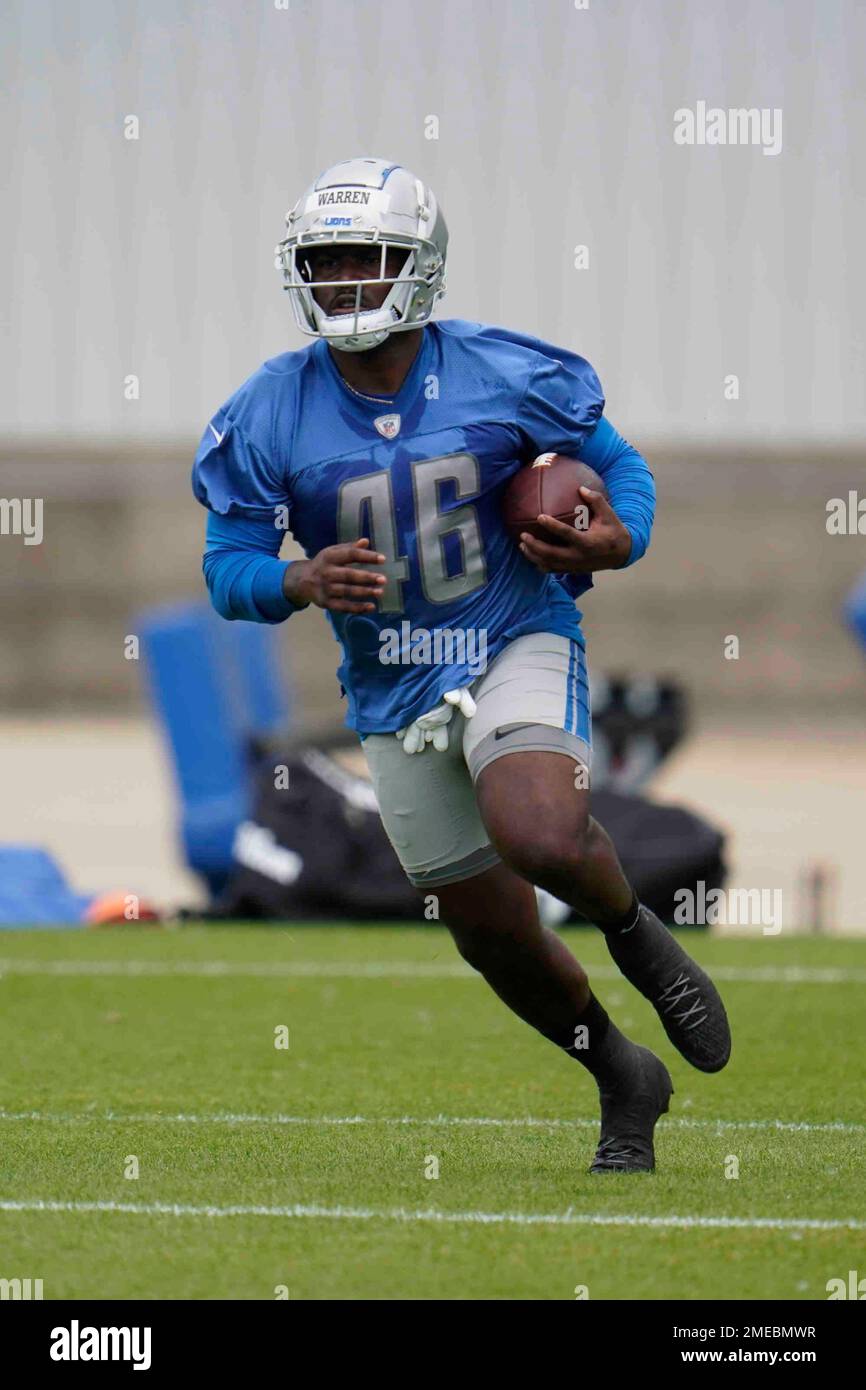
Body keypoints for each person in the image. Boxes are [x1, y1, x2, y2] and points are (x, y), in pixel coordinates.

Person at [192, 157, 731, 1173]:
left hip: (510, 632)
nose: (346, 281)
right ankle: (622, 1073)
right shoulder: (268, 410)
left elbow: (614, 465)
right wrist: (297, 581)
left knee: (534, 827)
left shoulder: (503, 369)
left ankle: (635, 934)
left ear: (418, 267)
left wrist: (620, 541)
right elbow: (226, 567)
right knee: (489, 933)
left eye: (367, 258)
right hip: (391, 679)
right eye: (327, 261)